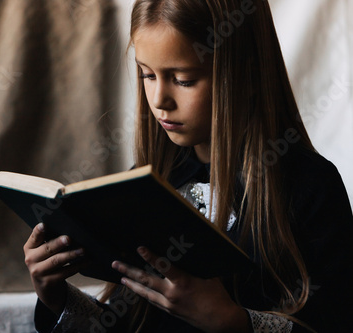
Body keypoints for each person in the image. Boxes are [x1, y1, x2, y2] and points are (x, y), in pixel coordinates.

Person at [23, 0, 353, 332]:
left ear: (244, 73)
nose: (158, 101)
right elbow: (128, 324)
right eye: (147, 75)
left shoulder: (310, 187)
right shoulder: (146, 183)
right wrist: (58, 299)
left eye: (182, 80)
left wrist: (232, 322)